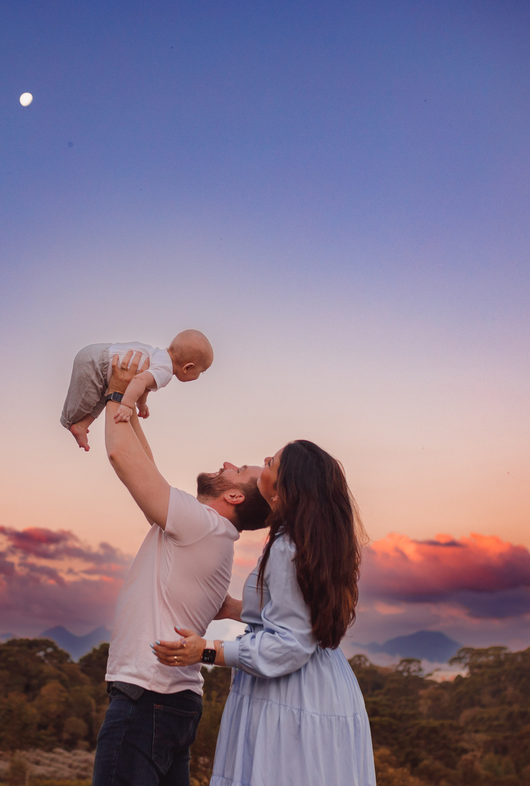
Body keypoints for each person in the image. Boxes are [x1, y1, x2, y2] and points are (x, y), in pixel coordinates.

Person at [151, 440, 376, 786]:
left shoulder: (288, 549)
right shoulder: (307, 544)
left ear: (288, 486)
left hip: (291, 693)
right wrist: (233, 609)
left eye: (274, 462)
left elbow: (290, 644)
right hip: (322, 685)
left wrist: (207, 650)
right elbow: (297, 616)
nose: (266, 460)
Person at [93, 351, 272, 786]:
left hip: (145, 698)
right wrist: (130, 408)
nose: (228, 463)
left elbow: (122, 458)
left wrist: (116, 391)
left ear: (234, 498)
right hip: (175, 703)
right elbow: (146, 468)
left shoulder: (203, 527)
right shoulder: (211, 538)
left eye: (239, 470)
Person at [61, 330, 214, 451]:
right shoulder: (165, 371)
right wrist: (127, 406)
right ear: (188, 367)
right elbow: (138, 381)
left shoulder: (159, 357)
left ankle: (81, 426)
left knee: (103, 397)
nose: (199, 376)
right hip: (96, 362)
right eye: (201, 372)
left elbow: (143, 384)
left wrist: (141, 404)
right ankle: (69, 421)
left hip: (101, 359)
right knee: (84, 402)